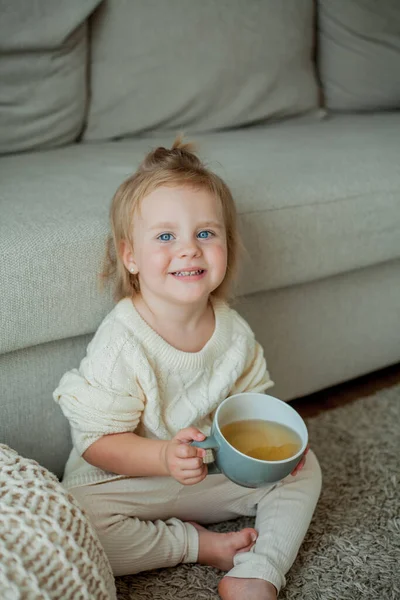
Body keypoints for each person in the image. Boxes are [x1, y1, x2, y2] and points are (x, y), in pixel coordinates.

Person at [54, 138, 322, 600]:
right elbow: (97, 444)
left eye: (205, 233)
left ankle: (259, 569)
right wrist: (162, 459)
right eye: (165, 237)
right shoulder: (123, 341)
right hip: (127, 481)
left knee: (304, 469)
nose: (189, 250)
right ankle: (196, 545)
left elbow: (252, 407)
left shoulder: (233, 333)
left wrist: (273, 450)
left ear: (226, 247)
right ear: (130, 257)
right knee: (72, 523)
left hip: (208, 472)